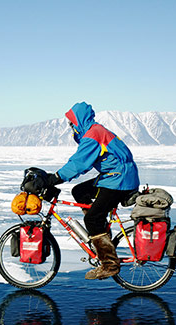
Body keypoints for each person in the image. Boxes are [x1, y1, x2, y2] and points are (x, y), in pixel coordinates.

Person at [46, 102, 140, 280]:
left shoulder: (93, 134)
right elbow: (84, 163)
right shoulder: (94, 131)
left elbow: (79, 163)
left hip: (119, 179)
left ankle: (109, 264)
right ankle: (101, 235)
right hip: (114, 176)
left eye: (72, 122)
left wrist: (56, 178)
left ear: (79, 120)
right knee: (80, 191)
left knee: (92, 218)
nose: (71, 126)